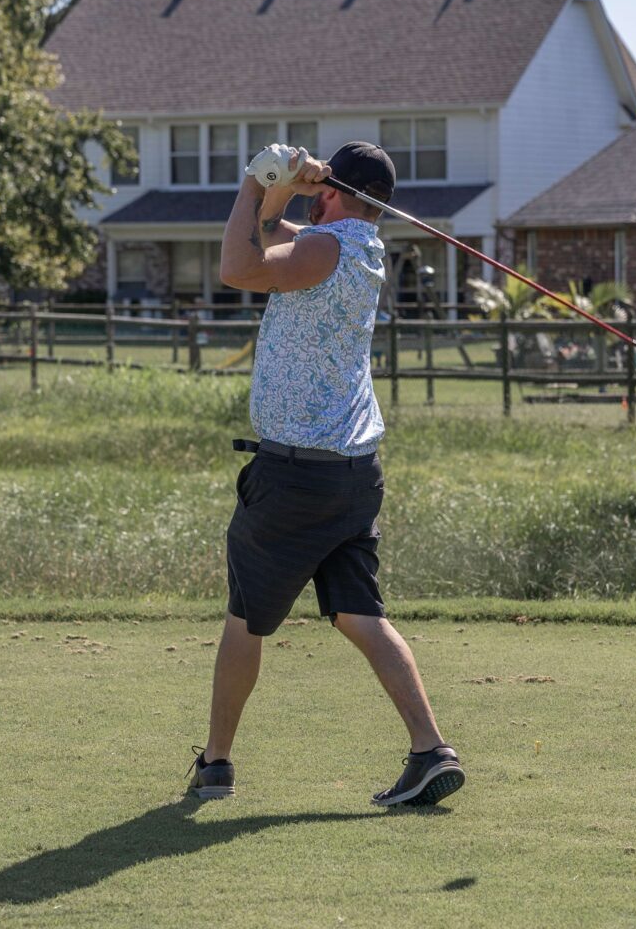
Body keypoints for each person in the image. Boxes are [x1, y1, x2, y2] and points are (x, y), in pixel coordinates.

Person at [186, 141, 465, 808]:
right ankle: (430, 750)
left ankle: (216, 764)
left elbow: (237, 265)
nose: (317, 194)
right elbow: (270, 234)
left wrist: (254, 183)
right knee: (359, 614)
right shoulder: (355, 247)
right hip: (352, 473)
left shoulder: (326, 250)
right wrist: (280, 188)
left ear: (339, 192)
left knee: (244, 620)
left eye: (326, 186)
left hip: (295, 477)